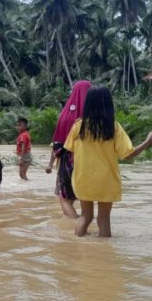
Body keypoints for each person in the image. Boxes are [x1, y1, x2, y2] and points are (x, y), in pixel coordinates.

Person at [65, 86, 152, 237]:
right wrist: (148, 141)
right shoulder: (113, 127)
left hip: (83, 178)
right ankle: (105, 256)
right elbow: (128, 155)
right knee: (103, 219)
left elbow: (70, 150)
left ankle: (77, 248)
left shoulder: (78, 126)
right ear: (109, 103)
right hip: (106, 180)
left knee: (86, 216)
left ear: (88, 103)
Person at [46, 80, 91, 219]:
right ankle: (83, 226)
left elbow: (57, 144)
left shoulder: (65, 115)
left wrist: (50, 163)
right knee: (87, 202)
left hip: (67, 162)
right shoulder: (94, 116)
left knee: (65, 200)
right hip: (90, 164)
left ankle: (76, 228)